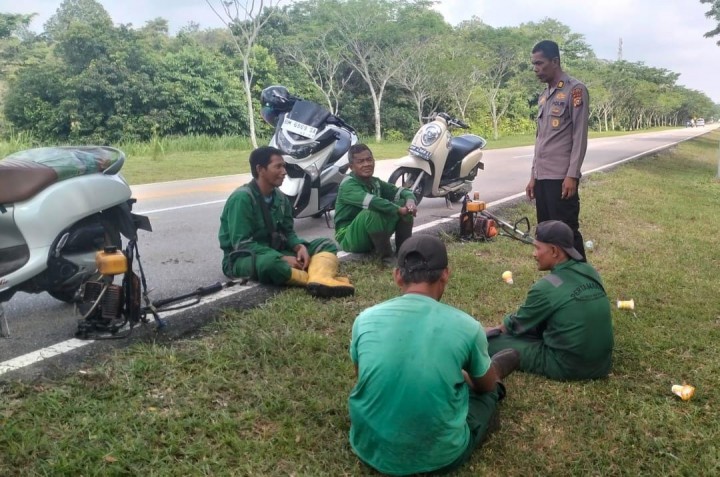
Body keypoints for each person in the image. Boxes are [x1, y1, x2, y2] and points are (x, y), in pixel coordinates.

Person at [348, 234, 520, 475]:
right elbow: (484, 387)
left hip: (368, 447)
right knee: (488, 393)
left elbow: (361, 377)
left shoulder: (364, 319)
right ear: (446, 274)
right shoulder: (467, 326)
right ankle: (494, 369)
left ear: (397, 276)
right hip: (440, 457)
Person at [218, 146, 353, 298]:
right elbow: (242, 244)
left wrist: (298, 246)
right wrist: (280, 258)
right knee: (271, 265)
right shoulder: (242, 199)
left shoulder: (280, 197)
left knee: (325, 244)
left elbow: (288, 232)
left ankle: (319, 279)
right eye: (278, 167)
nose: (284, 172)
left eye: (284, 166)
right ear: (260, 169)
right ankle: (314, 279)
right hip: (244, 257)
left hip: (276, 250)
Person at [486, 220, 614, 381]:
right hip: (602, 364)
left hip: (568, 366)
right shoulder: (590, 271)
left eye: (537, 248)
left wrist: (491, 331)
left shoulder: (546, 287)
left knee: (491, 343)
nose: (534, 254)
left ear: (554, 251)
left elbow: (517, 325)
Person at [526, 40, 590, 261]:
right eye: (533, 64)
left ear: (555, 61)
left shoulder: (575, 90)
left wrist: (572, 175)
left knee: (567, 234)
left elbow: (579, 136)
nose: (536, 68)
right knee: (546, 234)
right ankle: (558, 281)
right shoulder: (544, 96)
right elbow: (540, 139)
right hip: (543, 176)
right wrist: (533, 175)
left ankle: (584, 280)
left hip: (561, 178)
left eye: (540, 63)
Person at [334, 144, 417, 264]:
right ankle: (386, 258)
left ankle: (403, 253)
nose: (366, 164)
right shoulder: (348, 185)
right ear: (351, 167)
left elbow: (402, 191)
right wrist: (399, 210)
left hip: (371, 232)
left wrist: (410, 202)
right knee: (372, 211)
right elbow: (373, 202)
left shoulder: (375, 182)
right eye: (360, 161)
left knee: (405, 205)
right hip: (348, 236)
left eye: (369, 160)